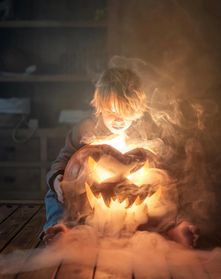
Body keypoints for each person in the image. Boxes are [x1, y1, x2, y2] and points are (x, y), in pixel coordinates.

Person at [42, 67, 199, 248]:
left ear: (138, 110)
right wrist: (57, 179)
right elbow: (63, 160)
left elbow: (161, 171)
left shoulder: (146, 133)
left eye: (126, 113)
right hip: (89, 203)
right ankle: (58, 228)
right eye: (111, 112)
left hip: (132, 195)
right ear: (99, 107)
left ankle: (173, 227)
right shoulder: (84, 130)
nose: (119, 120)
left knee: (166, 192)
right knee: (54, 195)